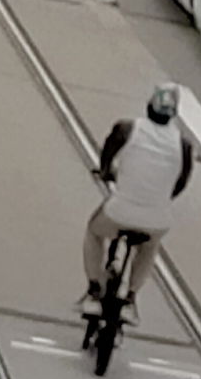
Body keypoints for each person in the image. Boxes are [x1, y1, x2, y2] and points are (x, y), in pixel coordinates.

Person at [81, 85, 194, 326]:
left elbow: (108, 156)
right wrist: (160, 196)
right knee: (150, 246)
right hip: (157, 216)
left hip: (119, 211)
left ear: (148, 105)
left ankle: (93, 292)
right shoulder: (183, 146)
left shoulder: (127, 128)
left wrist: (105, 172)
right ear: (174, 114)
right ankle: (130, 299)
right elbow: (181, 182)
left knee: (94, 232)